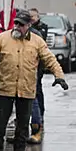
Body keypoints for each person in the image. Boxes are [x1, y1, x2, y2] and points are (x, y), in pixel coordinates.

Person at [0, 10, 67, 151]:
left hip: (27, 89)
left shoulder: (37, 42)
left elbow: (50, 59)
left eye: (21, 24)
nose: (17, 26)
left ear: (29, 25)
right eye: (16, 23)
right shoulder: (2, 38)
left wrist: (59, 76)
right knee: (0, 122)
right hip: (6, 88)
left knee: (23, 124)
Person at [27, 8, 49, 144]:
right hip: (32, 68)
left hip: (36, 68)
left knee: (36, 94)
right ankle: (36, 122)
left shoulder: (40, 31)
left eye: (32, 17)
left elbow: (44, 52)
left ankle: (38, 120)